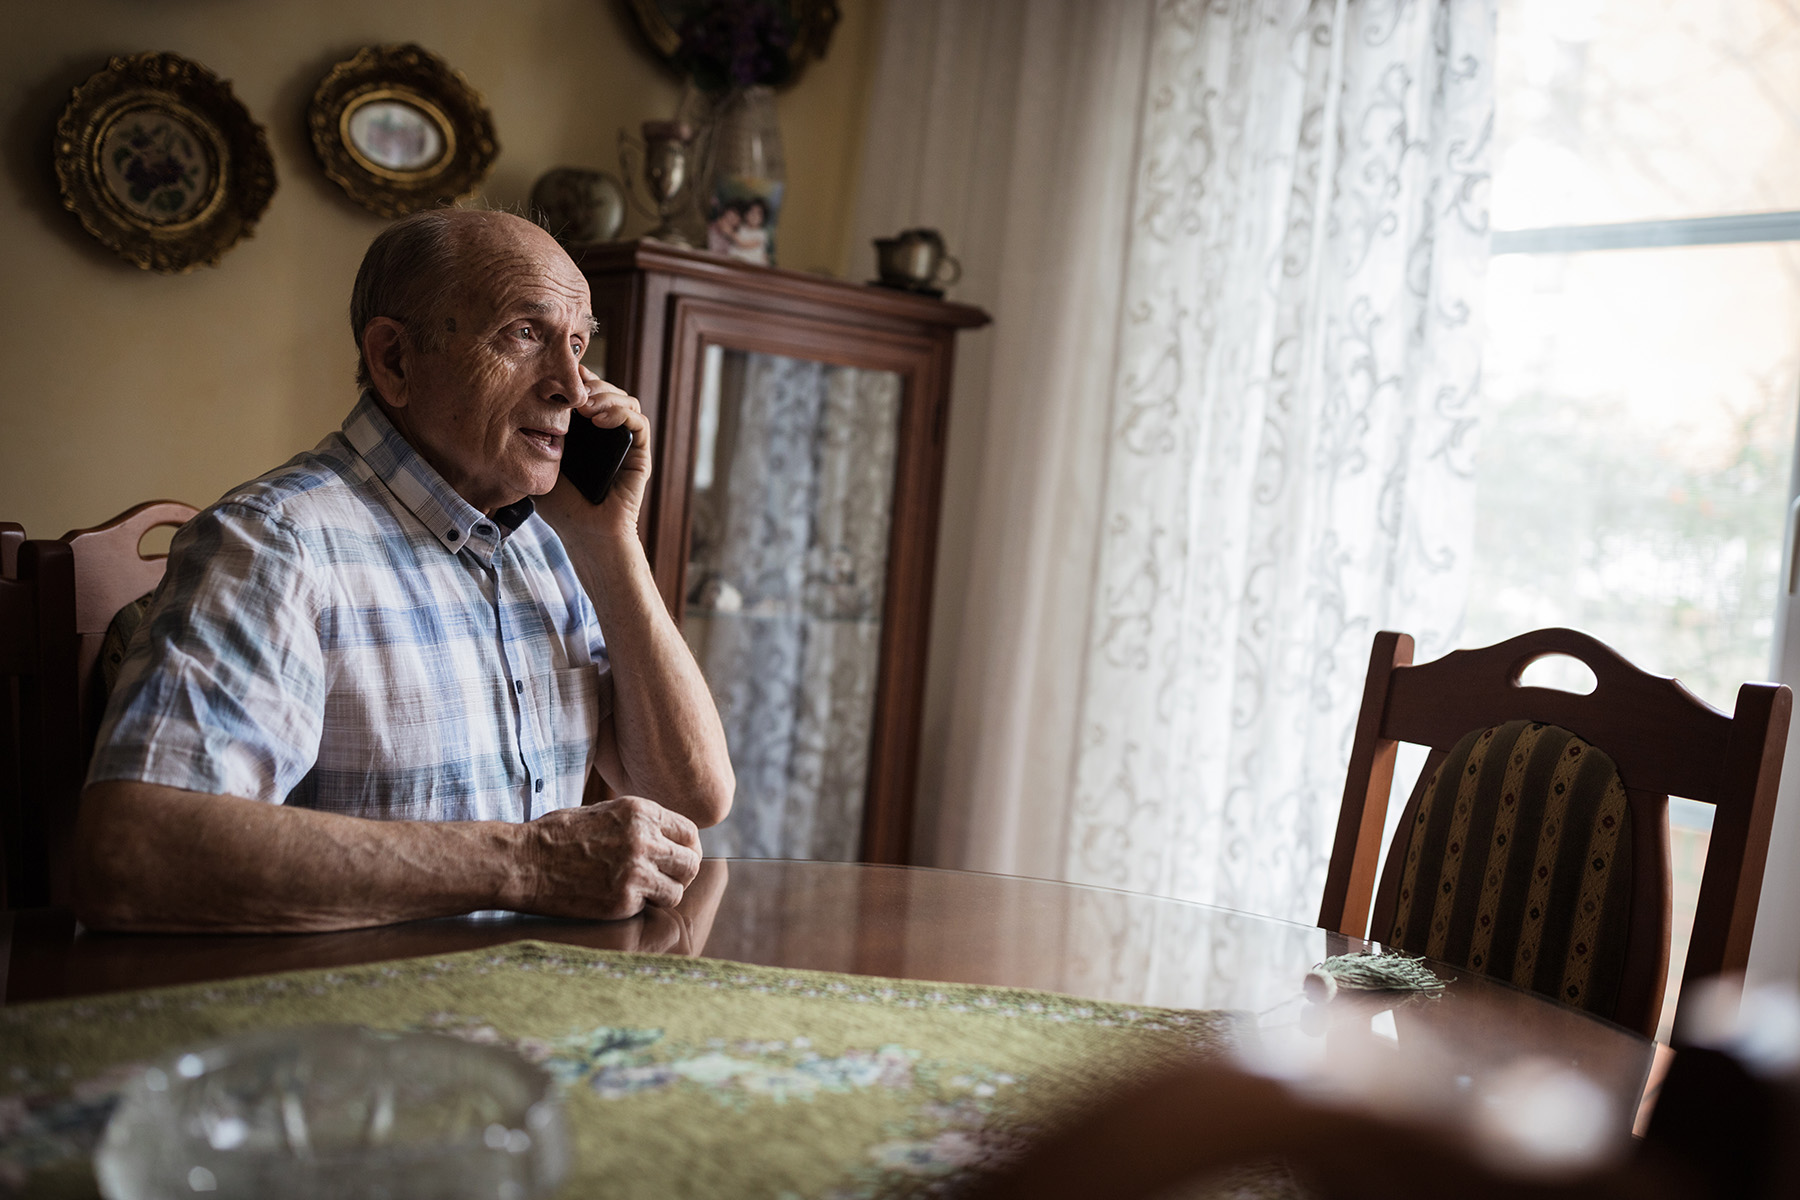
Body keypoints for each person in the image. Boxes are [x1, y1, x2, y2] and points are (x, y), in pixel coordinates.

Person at [74, 209, 735, 933]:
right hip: (338, 1027)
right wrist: (526, 865)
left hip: (518, 1014)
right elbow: (132, 851)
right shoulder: (275, 544)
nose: (574, 390)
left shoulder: (551, 544)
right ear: (394, 359)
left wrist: (612, 541)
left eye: (580, 346)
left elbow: (694, 794)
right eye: (526, 333)